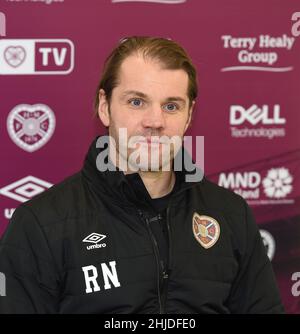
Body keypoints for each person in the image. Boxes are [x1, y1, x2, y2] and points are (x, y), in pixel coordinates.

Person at [0, 36, 284, 314]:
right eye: (137, 102)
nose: (155, 122)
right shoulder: (41, 224)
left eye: (171, 106)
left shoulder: (231, 215)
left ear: (188, 116)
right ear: (104, 106)